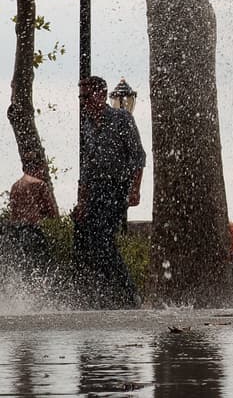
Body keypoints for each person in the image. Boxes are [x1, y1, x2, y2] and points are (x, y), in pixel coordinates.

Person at [72, 76, 146, 308]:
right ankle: (96, 293)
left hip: (116, 188)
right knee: (84, 238)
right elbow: (87, 166)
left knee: (104, 240)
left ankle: (128, 294)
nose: (83, 101)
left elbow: (138, 157)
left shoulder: (121, 118)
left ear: (100, 94)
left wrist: (135, 190)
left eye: (86, 96)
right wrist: (81, 203)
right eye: (80, 97)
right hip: (94, 189)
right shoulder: (86, 122)